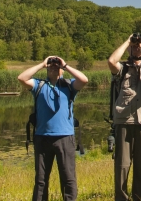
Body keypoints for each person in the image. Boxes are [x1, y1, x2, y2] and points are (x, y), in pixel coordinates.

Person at [18, 55, 89, 201]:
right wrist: (42, 64)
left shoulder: (69, 86)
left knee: (68, 178)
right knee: (41, 180)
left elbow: (84, 80)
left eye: (56, 66)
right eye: (51, 66)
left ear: (61, 70)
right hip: (42, 137)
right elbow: (22, 78)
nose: (53, 67)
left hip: (65, 137)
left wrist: (65, 65)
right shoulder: (39, 85)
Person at [108, 33, 141, 201]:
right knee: (122, 164)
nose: (137, 47)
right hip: (125, 120)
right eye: (135, 46)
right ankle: (121, 197)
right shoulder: (122, 68)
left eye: (140, 44)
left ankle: (140, 196)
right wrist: (127, 42)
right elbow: (111, 62)